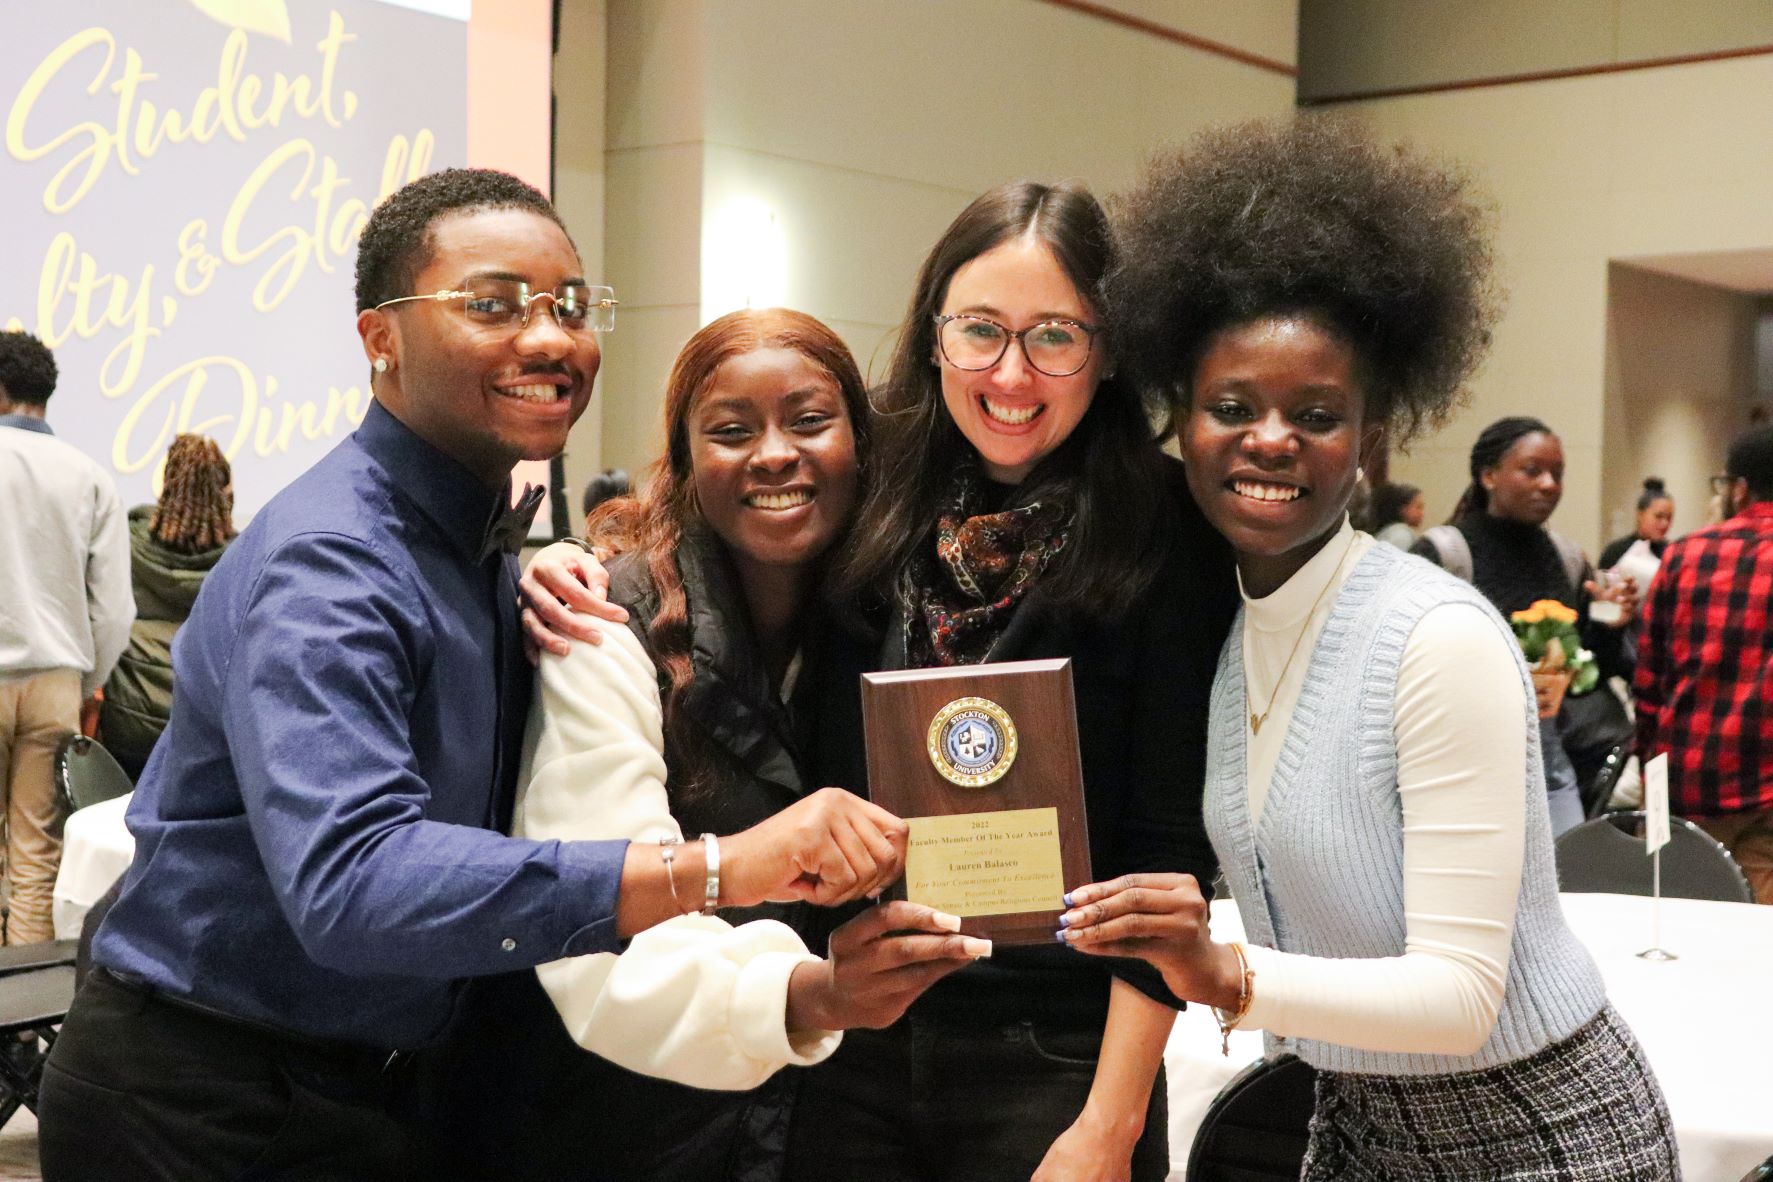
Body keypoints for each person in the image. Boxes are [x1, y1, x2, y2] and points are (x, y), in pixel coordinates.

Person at [37, 169, 912, 1181]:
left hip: (377, 1087)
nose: (547, 339)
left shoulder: (489, 550)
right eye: (490, 305)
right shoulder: (333, 563)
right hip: (208, 1097)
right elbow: (352, 884)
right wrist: (721, 869)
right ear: (381, 339)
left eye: (569, 306)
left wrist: (536, 564)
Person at [1060, 116, 1678, 1181]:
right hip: (1354, 1124)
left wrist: (1226, 970)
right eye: (1231, 407)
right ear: (1182, 422)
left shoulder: (1435, 638)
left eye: (1316, 413)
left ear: (1370, 437)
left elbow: (1461, 995)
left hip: (1545, 1137)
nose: (1269, 439)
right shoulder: (1223, 628)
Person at [446, 308, 986, 1181]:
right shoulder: (598, 619)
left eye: (809, 420)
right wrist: (814, 995)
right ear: (687, 461)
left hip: (818, 1126)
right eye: (731, 432)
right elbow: (597, 931)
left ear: (862, 442)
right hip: (605, 1122)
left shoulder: (893, 619)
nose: (774, 454)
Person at [799, 181, 1236, 1182]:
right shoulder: (871, 508)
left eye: (1054, 337)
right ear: (933, 336)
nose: (1011, 372)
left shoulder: (1170, 533)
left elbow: (1168, 854)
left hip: (1063, 1052)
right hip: (863, 1033)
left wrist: (1110, 1127)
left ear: (1109, 351)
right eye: (981, 331)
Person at [1411, 416, 1638, 833]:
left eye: (1557, 473)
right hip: (1459, 755)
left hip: (1547, 754)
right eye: (1532, 470)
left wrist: (1610, 626)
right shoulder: (1446, 552)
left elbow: (1588, 678)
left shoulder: (1567, 558)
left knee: (1566, 879)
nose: (1549, 484)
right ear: (1489, 475)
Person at [0, 330, 133, 945]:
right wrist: (87, 683)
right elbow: (114, 608)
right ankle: (20, 1031)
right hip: (56, 683)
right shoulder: (89, 476)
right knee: (36, 857)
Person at [1634, 424, 1773, 904]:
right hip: (1769, 796)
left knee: (1683, 932)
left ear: (1738, 489)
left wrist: (1649, 782)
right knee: (1760, 948)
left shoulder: (1685, 556)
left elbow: (1649, 686)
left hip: (1689, 786)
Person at [99, 434, 236, 781]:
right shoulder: (239, 560)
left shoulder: (126, 544)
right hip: (201, 728)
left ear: (165, 488)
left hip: (128, 724)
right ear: (227, 496)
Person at [1599, 476, 1674, 569]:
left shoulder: (1672, 553)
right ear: (1640, 515)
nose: (1665, 523)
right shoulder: (1615, 551)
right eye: (1658, 516)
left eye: (1669, 517)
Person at [1368, 481, 1424, 550]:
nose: (1422, 513)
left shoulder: (1391, 531)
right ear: (1403, 509)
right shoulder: (1402, 536)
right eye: (1418, 507)